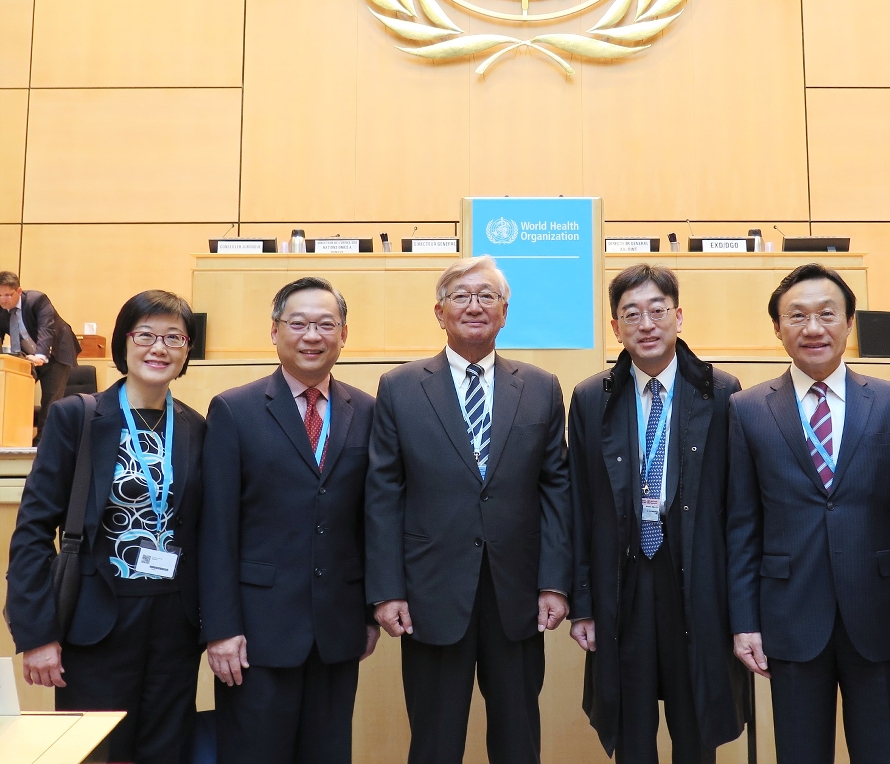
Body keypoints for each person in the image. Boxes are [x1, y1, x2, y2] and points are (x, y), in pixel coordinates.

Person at [726, 263, 890, 764]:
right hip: (789, 614)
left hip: (880, 610)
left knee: (883, 752)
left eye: (827, 314)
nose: (813, 328)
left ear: (849, 323)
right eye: (797, 316)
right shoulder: (747, 409)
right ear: (777, 328)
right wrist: (744, 619)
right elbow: (741, 522)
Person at [366, 255, 572, 764]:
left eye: (487, 297)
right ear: (439, 312)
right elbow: (383, 494)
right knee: (434, 742)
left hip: (516, 594)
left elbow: (556, 490)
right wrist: (387, 589)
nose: (474, 306)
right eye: (461, 296)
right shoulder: (399, 387)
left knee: (518, 736)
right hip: (430, 591)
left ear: (505, 313)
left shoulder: (542, 387)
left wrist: (554, 581)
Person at [6, 290, 205, 764]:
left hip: (174, 624)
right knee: (95, 754)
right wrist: (37, 635)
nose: (160, 348)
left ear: (187, 351)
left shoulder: (197, 427)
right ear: (123, 343)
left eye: (174, 337)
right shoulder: (77, 417)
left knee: (166, 752)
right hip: (94, 621)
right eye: (146, 335)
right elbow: (34, 529)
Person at [568, 264, 748, 763]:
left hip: (695, 578)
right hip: (622, 582)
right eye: (631, 314)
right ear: (615, 328)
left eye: (657, 311)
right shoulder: (589, 399)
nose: (646, 324)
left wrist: (742, 605)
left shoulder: (722, 392)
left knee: (696, 724)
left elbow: (739, 507)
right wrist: (583, 602)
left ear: (679, 316)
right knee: (631, 724)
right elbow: (579, 507)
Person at [199, 276, 378, 764]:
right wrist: (220, 628)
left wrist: (366, 612)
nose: (312, 335)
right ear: (274, 331)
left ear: (344, 334)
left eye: (326, 324)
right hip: (255, 633)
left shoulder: (366, 410)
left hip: (338, 630)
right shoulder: (234, 410)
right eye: (298, 323)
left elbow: (371, 520)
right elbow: (216, 529)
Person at [0, 271, 82, 445]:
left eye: (8, 295)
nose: (3, 300)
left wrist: (41, 355)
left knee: (51, 400)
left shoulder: (37, 300)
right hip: (27, 358)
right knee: (16, 393)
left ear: (19, 291)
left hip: (56, 352)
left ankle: (42, 445)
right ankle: (14, 440)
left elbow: (47, 328)